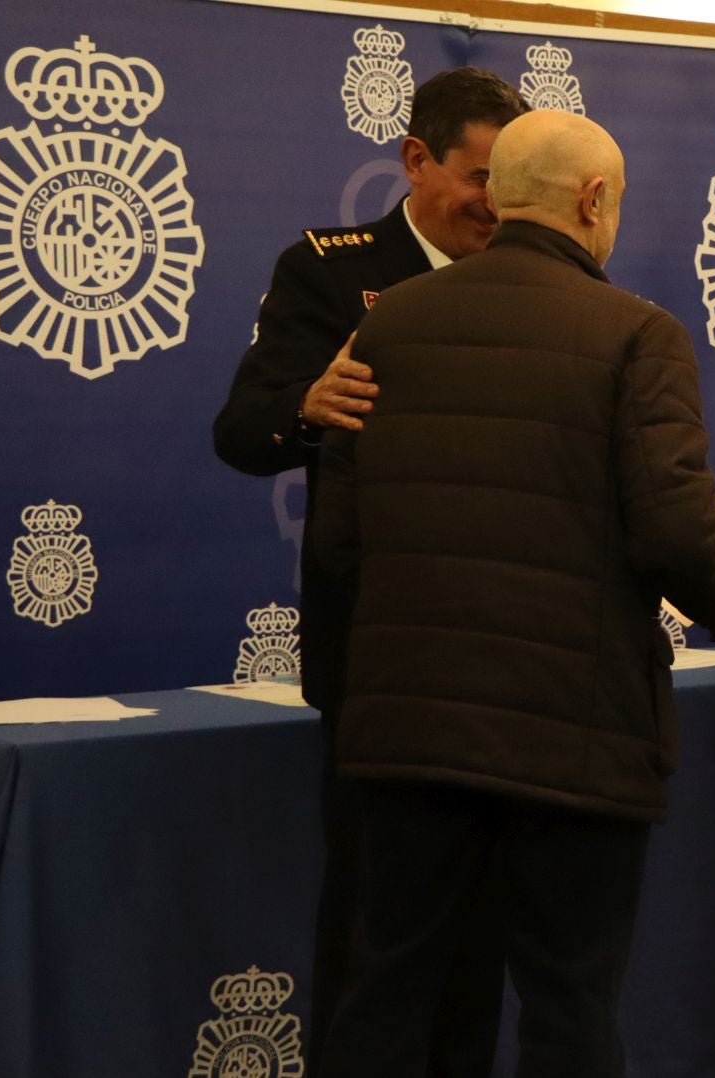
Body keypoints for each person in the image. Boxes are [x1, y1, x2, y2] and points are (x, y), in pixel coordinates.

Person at [308, 108, 715, 1078]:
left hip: (406, 731)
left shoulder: (387, 323)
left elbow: (342, 543)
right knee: (568, 1001)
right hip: (573, 736)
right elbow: (678, 530)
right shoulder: (639, 335)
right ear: (593, 201)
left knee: (388, 989)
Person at [208, 66, 527, 1076]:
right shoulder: (329, 270)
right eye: (477, 177)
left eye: (509, 182)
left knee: (480, 937)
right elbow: (241, 432)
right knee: (374, 934)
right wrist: (308, 399)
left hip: (498, 660)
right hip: (378, 659)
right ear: (416, 160)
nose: (492, 202)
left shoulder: (531, 273)